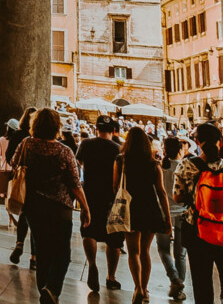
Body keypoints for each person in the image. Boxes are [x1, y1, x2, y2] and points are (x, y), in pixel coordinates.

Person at [12, 108, 92, 304]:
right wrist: (86, 208)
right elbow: (75, 183)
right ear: (56, 127)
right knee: (63, 252)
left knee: (43, 250)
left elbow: (14, 163)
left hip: (33, 205)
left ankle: (44, 290)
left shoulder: (26, 144)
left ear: (35, 125)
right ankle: (53, 288)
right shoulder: (64, 151)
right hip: (60, 207)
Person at [175, 122, 223, 304]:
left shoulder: (186, 165)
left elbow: (178, 197)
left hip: (197, 230)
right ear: (220, 142)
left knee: (201, 282)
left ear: (196, 141)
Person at [115, 127, 172, 303]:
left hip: (130, 208)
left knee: (133, 252)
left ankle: (137, 287)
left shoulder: (121, 160)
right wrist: (167, 219)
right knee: (145, 251)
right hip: (150, 209)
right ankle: (145, 289)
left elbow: (115, 187)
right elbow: (162, 192)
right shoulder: (153, 163)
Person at [79, 114, 126, 291]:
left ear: (96, 129)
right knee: (114, 238)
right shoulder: (118, 148)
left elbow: (80, 164)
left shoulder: (86, 144)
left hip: (90, 192)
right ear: (113, 131)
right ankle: (111, 277)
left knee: (88, 229)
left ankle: (92, 264)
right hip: (112, 196)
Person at [157, 136, 190, 300]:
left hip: (163, 213)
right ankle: (179, 287)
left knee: (163, 250)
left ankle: (174, 278)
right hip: (183, 213)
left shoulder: (161, 167)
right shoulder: (185, 167)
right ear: (179, 150)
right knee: (181, 254)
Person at [8, 107, 40, 267]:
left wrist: (17, 168)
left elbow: (9, 156)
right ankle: (34, 258)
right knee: (36, 218)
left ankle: (19, 243)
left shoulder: (19, 135)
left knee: (24, 213)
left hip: (22, 180)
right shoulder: (39, 137)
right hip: (38, 183)